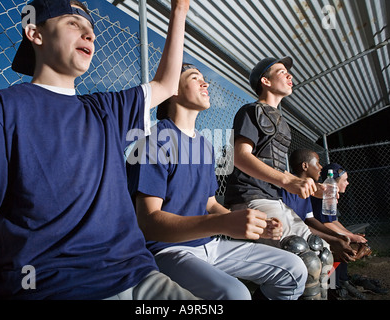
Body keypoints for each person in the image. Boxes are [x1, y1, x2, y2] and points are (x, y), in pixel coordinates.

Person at [0, 0, 198, 300]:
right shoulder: (3, 109)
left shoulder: (106, 109)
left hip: (138, 277)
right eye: (73, 24)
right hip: (54, 286)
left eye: (91, 30)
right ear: (35, 34)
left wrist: (179, 11)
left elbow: (166, 83)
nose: (89, 35)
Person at [126, 63, 307, 300]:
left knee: (295, 269)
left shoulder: (204, 146)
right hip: (167, 250)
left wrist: (252, 225)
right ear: (174, 91)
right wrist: (222, 224)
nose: (205, 83)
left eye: (204, 78)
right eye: (195, 78)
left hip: (210, 244)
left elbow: (210, 202)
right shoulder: (152, 142)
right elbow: (148, 223)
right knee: (236, 294)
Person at [223, 57, 317, 242]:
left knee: (320, 250)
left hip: (274, 199)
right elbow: (240, 156)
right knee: (301, 253)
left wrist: (312, 187)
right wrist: (285, 181)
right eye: (282, 72)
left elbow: (276, 169)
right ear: (265, 81)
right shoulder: (251, 110)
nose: (289, 75)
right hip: (250, 198)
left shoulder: (282, 122)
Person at [311, 163, 372, 299]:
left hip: (324, 231)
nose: (348, 183)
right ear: (334, 181)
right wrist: (348, 236)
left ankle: (343, 281)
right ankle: (334, 287)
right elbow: (325, 223)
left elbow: (333, 221)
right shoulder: (323, 196)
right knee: (339, 246)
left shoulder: (331, 195)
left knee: (346, 240)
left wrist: (351, 235)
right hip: (315, 234)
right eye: (344, 180)